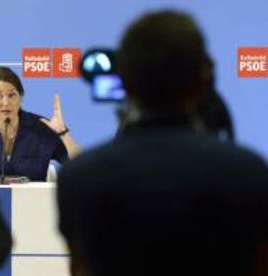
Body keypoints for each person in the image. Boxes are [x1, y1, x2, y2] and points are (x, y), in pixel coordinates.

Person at [57, 10, 268, 276]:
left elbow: (80, 269)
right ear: (204, 79)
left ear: (125, 82)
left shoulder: (80, 179)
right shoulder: (248, 173)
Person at [0, 66, 80, 182]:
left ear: (21, 98)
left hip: (34, 199)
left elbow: (79, 164)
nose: (5, 103)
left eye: (11, 95)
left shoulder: (41, 128)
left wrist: (63, 133)